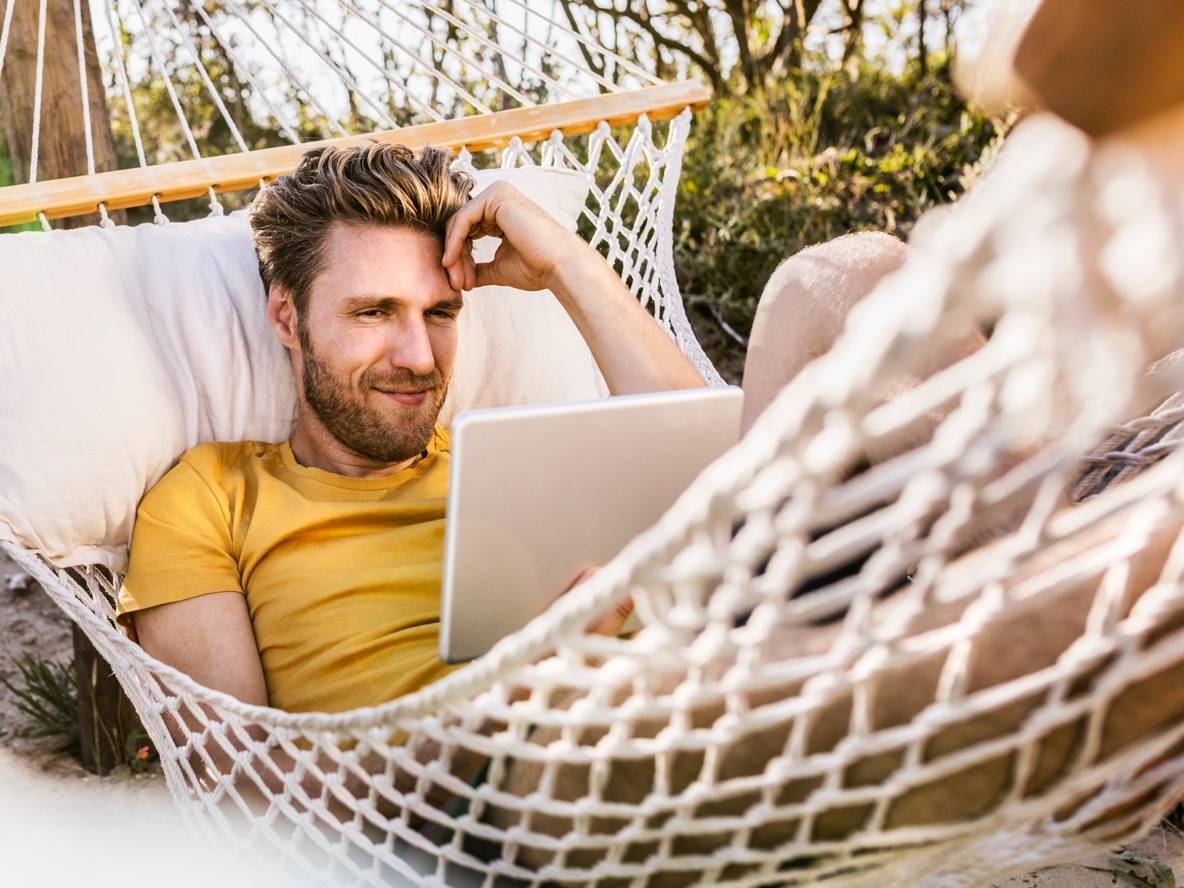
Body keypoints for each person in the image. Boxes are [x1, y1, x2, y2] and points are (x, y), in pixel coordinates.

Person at [116, 143, 704, 715]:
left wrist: (567, 265)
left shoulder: (522, 460)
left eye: (440, 313)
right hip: (488, 791)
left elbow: (726, 489)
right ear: (286, 316)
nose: (420, 359)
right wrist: (527, 692)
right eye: (374, 312)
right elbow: (242, 779)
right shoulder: (209, 499)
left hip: (696, 708)